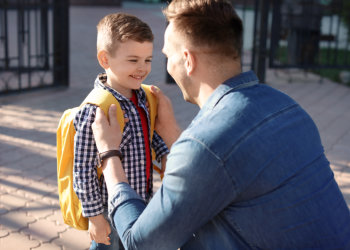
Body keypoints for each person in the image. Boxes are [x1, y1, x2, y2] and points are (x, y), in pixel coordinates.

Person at [92, 0, 350, 249]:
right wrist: (172, 135)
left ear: (188, 60)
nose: (166, 66)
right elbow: (223, 167)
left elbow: (141, 244)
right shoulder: (286, 106)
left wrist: (110, 154)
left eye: (167, 57)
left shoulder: (204, 145)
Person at [73, 13, 169, 249]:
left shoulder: (143, 97)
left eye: (148, 60)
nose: (142, 68)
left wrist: (165, 153)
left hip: (140, 203)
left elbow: (149, 134)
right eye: (133, 60)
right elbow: (83, 169)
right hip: (109, 210)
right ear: (105, 59)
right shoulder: (96, 109)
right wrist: (95, 217)